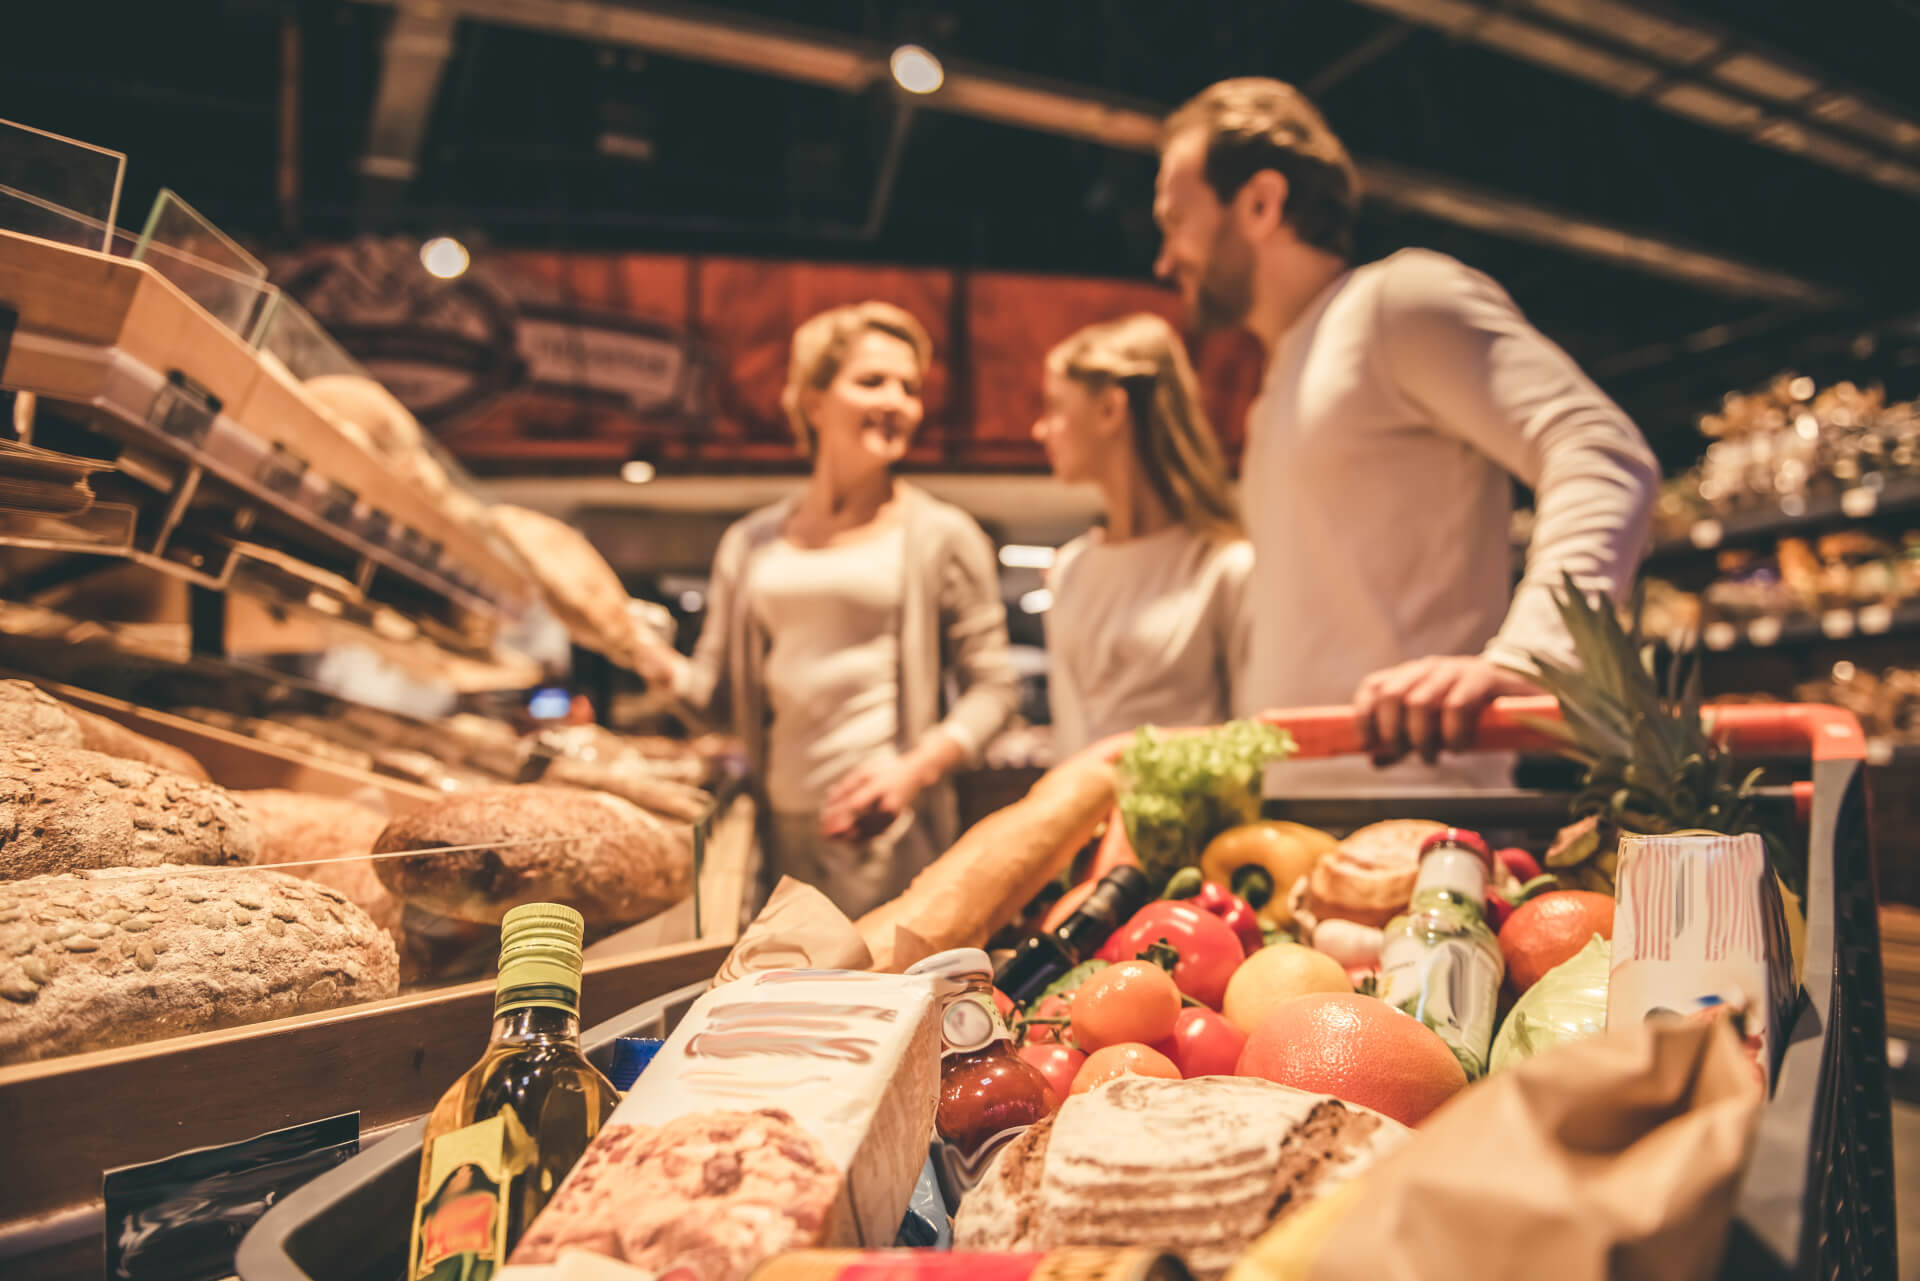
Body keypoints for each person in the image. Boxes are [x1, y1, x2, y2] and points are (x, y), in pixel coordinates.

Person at [1151, 77, 1660, 787]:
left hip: (1423, 812)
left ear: (1262, 204)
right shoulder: (1278, 387)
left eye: (1176, 221)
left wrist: (1527, 657)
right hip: (1306, 816)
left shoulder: (1397, 303)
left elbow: (1600, 450)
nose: (1165, 258)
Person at [635, 301, 1019, 914]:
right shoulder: (751, 542)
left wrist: (914, 772)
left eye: (910, 387)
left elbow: (995, 690)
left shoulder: (942, 535)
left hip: (887, 835)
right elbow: (716, 702)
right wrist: (645, 656)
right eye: (872, 381)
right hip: (773, 831)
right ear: (814, 401)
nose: (897, 401)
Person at [1032, 313, 1253, 755]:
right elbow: (1071, 731)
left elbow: (1253, 734)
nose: (1040, 429)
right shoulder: (1070, 569)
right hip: (1083, 818)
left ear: (1110, 410)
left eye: (1056, 407)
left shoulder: (1223, 567)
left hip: (1196, 820)